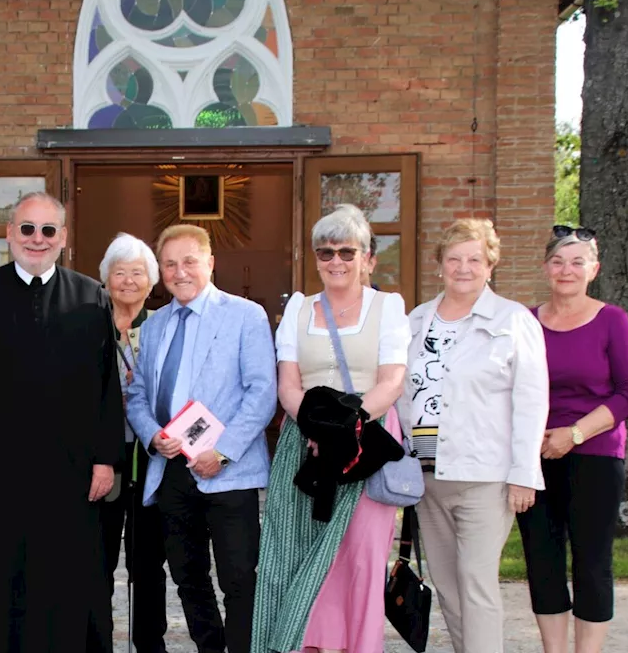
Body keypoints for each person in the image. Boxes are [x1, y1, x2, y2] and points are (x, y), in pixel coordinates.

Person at [0, 192, 124, 653]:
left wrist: (106, 460)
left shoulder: (91, 298)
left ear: (63, 238)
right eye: (27, 229)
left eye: (48, 230)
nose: (37, 239)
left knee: (61, 578)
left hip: (68, 471)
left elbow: (106, 389)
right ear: (9, 234)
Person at [253, 204, 410, 653]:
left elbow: (391, 381)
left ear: (367, 259)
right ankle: (305, 644)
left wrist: (347, 429)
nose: (336, 262)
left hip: (367, 445)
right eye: (325, 253)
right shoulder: (300, 309)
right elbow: (288, 383)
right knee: (298, 549)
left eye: (346, 251)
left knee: (360, 555)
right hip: (305, 444)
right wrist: (317, 430)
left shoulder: (389, 307)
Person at [397, 218, 549, 653]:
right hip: (426, 476)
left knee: (476, 584)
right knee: (448, 587)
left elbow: (532, 401)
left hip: (485, 476)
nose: (464, 268)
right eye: (454, 259)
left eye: (475, 259)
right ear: (440, 265)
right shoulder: (416, 320)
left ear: (490, 265)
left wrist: (525, 473)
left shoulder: (514, 320)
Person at [125, 224, 277, 653]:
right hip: (173, 470)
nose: (180, 272)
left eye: (189, 261)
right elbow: (137, 396)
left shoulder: (245, 315)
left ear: (210, 262)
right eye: (169, 264)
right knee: (187, 577)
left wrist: (223, 452)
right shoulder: (154, 327)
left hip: (229, 473)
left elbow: (262, 392)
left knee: (239, 579)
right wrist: (154, 436)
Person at [517, 226, 628, 653]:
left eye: (577, 262)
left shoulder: (612, 320)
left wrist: (573, 434)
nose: (566, 270)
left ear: (594, 269)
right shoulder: (526, 322)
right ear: (546, 268)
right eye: (557, 261)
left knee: (592, 564)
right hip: (533, 459)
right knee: (542, 561)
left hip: (594, 455)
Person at [98, 233, 169, 653]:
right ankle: (97, 640)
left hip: (150, 456)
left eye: (137, 273)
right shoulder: (89, 324)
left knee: (148, 562)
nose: (128, 281)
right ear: (105, 279)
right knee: (98, 559)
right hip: (103, 457)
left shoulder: (161, 324)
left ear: (151, 279)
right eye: (119, 272)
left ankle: (149, 643)